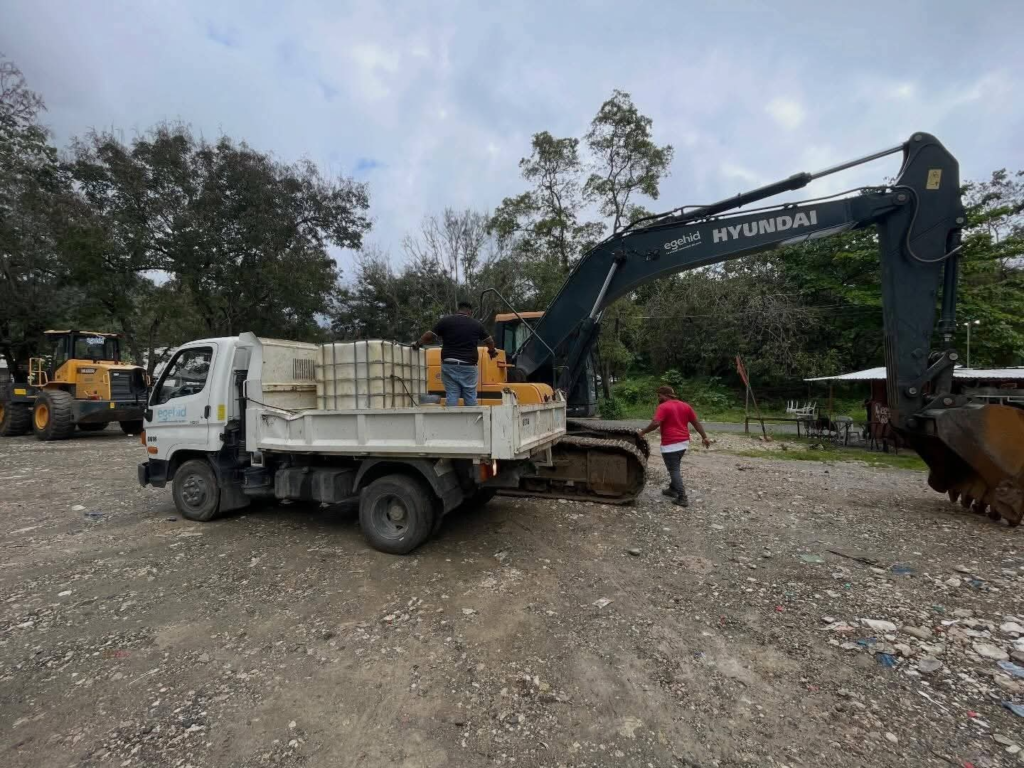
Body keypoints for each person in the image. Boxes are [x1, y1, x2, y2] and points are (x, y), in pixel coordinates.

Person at [637, 385, 711, 507]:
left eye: (659, 395)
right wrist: (704, 437)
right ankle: (672, 489)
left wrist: (642, 432)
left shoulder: (663, 407)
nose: (658, 398)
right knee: (675, 466)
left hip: (670, 444)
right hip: (683, 443)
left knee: (673, 470)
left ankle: (682, 497)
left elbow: (655, 423)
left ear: (665, 395)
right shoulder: (685, 406)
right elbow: (696, 423)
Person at [414, 301, 497, 406]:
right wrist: (491, 351)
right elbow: (489, 340)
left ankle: (451, 416)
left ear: (458, 310)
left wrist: (417, 343)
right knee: (470, 395)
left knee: (452, 394)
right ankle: (472, 416)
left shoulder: (446, 321)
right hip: (469, 367)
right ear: (470, 312)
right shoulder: (476, 324)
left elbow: (429, 335)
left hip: (449, 365)